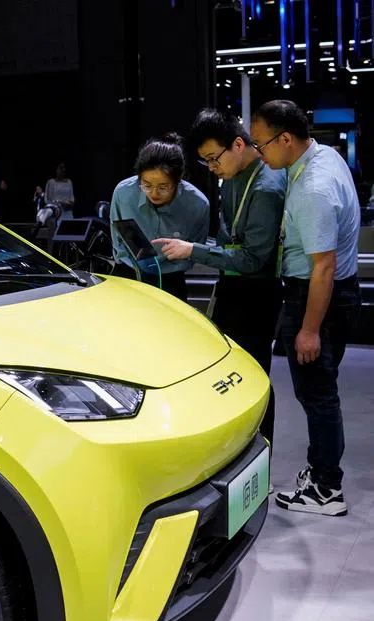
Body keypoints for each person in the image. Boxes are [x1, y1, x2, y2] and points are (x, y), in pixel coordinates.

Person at [249, 100, 361, 516]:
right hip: (333, 294)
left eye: (261, 145)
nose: (260, 154)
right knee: (319, 393)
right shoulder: (324, 155)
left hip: (318, 299)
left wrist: (309, 329)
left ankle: (326, 489)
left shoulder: (314, 187)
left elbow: (324, 267)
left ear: (286, 139)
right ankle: (320, 474)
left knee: (317, 395)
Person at [154, 109, 286, 443]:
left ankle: (260, 457)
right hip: (231, 287)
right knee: (227, 378)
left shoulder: (267, 186)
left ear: (239, 144)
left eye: (214, 159)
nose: (212, 169)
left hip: (257, 293)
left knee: (253, 379)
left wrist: (193, 250)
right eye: (206, 162)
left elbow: (254, 259)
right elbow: (231, 242)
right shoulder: (231, 177)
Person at [109, 134, 210, 302]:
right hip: (130, 274)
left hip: (171, 279)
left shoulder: (197, 205)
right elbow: (119, 244)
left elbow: (194, 252)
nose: (154, 193)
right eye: (147, 185)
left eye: (163, 187)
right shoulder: (124, 194)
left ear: (179, 180)